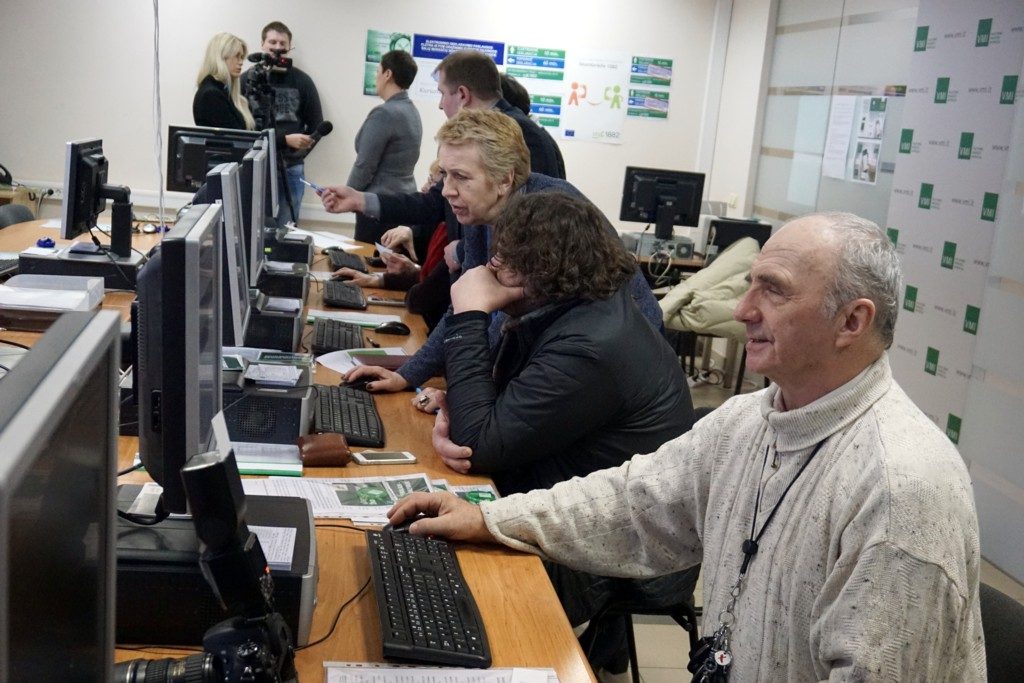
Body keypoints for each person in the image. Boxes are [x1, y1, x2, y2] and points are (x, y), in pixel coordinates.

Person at [388, 212, 987, 681]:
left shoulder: (899, 486)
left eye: (772, 292)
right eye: (750, 285)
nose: (741, 309)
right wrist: (489, 519)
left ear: (852, 322)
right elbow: (633, 502)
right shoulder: (753, 419)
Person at [427, 191, 698, 676]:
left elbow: (479, 444)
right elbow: (491, 424)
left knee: (437, 585)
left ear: (544, 268)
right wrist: (468, 409)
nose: (490, 265)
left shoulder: (591, 344)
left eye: (506, 257)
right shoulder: (583, 311)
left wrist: (469, 314)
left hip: (615, 552)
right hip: (578, 506)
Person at [322, 109, 662, 394]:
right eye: (445, 176)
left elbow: (501, 322)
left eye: (460, 177)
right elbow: (466, 304)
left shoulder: (548, 218)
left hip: (622, 368)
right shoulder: (481, 212)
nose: (447, 191)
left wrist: (460, 396)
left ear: (504, 180)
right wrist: (409, 374)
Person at [242, 20, 324, 227]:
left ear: (289, 47)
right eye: (272, 42)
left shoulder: (303, 82)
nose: (278, 48)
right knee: (251, 227)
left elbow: (317, 125)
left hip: (290, 169)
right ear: (262, 44)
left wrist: (298, 152)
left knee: (287, 229)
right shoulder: (247, 80)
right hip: (253, 167)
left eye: (282, 43)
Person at [348, 50, 422, 244]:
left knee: (366, 264)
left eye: (378, 71)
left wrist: (347, 195)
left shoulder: (384, 113)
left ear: (388, 74)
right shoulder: (411, 110)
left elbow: (365, 165)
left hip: (378, 207)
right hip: (403, 203)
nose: (376, 76)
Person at [193, 33, 255, 130]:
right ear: (220, 57)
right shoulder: (211, 95)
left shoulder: (221, 92)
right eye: (236, 56)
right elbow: (235, 138)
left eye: (242, 57)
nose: (241, 62)